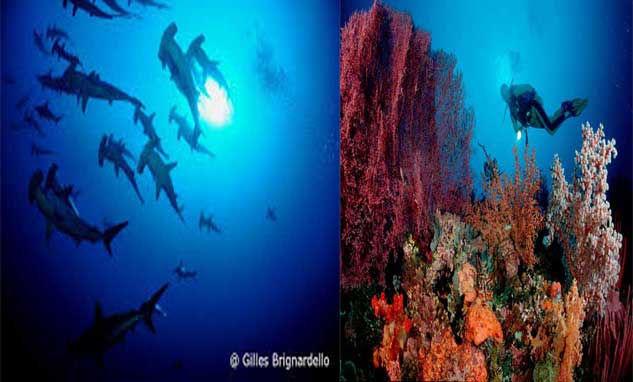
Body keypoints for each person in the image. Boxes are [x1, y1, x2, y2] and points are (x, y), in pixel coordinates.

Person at [500, 83, 588, 142]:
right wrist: (519, 131)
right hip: (532, 121)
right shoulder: (512, 112)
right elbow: (516, 127)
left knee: (551, 128)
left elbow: (530, 89)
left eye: (505, 91)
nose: (505, 95)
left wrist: (535, 100)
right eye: (503, 95)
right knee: (552, 122)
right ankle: (564, 108)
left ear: (508, 89)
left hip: (534, 108)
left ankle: (568, 112)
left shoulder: (516, 90)